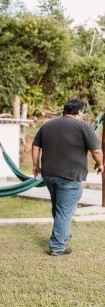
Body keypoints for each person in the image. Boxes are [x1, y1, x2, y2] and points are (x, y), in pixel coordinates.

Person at [32, 99, 103, 256]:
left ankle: (63, 235)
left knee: (58, 207)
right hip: (71, 176)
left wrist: (35, 165)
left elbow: (35, 145)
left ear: (64, 111)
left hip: (49, 174)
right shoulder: (83, 125)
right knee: (64, 210)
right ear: (79, 112)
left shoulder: (48, 125)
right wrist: (101, 164)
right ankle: (57, 246)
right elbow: (97, 151)